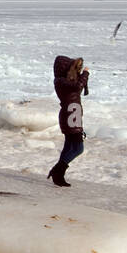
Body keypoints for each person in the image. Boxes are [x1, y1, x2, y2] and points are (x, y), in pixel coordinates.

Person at [49, 55, 88, 187]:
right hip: (71, 116)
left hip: (74, 114)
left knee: (69, 147)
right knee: (78, 148)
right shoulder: (60, 81)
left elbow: (78, 87)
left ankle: (59, 176)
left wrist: (80, 75)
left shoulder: (66, 81)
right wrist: (86, 74)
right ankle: (57, 170)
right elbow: (78, 86)